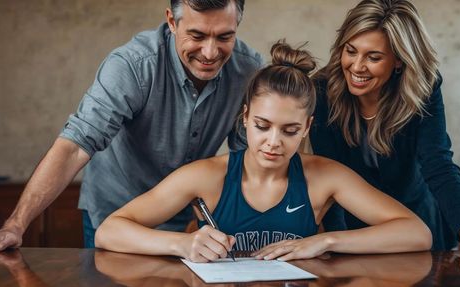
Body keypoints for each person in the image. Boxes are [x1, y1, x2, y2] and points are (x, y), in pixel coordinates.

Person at [0, 0, 262, 253]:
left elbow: (244, 164)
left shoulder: (248, 70)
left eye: (224, 37)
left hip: (185, 219)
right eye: (196, 35)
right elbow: (74, 147)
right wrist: (15, 225)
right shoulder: (133, 65)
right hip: (115, 216)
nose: (210, 53)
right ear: (171, 21)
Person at [94, 41, 432, 262]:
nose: (273, 142)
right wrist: (180, 244)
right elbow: (109, 230)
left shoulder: (324, 176)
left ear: (307, 128)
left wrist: (326, 242)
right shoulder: (208, 175)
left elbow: (417, 233)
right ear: (244, 119)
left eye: (289, 131)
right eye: (262, 125)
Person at [309, 0, 460, 254]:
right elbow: (329, 174)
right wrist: (337, 244)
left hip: (418, 224)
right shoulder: (322, 92)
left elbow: (438, 163)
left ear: (399, 61)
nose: (357, 66)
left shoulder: (423, 89)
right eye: (350, 51)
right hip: (356, 229)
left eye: (373, 57)